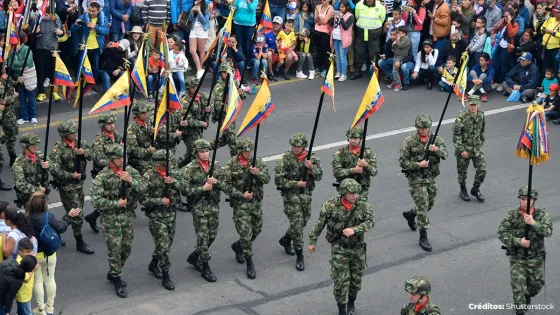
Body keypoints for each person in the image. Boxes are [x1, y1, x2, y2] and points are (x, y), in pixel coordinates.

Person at [308, 178, 374, 315]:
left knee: (355, 282)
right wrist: (312, 241)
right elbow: (320, 223)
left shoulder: (362, 205)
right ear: (344, 193)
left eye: (356, 193)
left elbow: (370, 222)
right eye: (352, 193)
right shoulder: (331, 205)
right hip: (340, 249)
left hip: (357, 249)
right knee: (340, 283)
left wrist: (355, 229)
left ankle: (351, 304)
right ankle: (342, 310)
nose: (355, 196)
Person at [91, 144, 146, 298]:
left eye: (122, 157)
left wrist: (130, 180)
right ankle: (117, 278)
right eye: (118, 158)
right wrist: (116, 204)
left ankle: (114, 272)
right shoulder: (102, 177)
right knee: (114, 250)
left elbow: (144, 188)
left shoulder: (130, 171)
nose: (121, 160)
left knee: (126, 249)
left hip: (128, 215)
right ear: (110, 159)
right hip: (111, 218)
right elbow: (96, 201)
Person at [182, 139, 236, 282]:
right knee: (203, 238)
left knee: (212, 235)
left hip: (213, 205)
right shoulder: (190, 168)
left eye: (206, 151)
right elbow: (185, 190)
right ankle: (205, 267)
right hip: (199, 206)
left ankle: (194, 256)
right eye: (201, 152)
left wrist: (216, 182)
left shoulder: (216, 166)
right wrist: (202, 188)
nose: (205, 154)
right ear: (196, 153)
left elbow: (227, 184)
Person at [498, 186, 552, 315]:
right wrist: (518, 242)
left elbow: (548, 231)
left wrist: (533, 223)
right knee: (518, 290)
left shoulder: (541, 215)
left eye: (529, 199)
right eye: (523, 199)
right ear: (519, 200)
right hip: (518, 259)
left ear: (534, 200)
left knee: (536, 286)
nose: (525, 202)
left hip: (536, 259)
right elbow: (502, 233)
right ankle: (520, 309)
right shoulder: (512, 215)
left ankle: (526, 297)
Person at [221, 138, 270, 279]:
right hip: (241, 204)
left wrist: (258, 173)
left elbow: (267, 179)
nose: (248, 153)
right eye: (245, 151)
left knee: (257, 229)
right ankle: (249, 262)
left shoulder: (258, 162)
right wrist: (241, 195)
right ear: (240, 151)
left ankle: (238, 246)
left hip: (255, 202)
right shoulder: (232, 164)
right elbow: (225, 185)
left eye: (250, 151)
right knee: (246, 235)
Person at [275, 132, 323, 271]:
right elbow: (279, 180)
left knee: (303, 221)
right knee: (297, 226)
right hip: (291, 197)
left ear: (303, 147)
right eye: (293, 146)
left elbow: (320, 176)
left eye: (298, 146)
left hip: (306, 196)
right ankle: (300, 255)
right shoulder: (285, 159)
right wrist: (295, 184)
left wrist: (311, 168)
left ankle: (285, 239)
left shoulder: (311, 158)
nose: (295, 149)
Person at [400, 114, 448, 252]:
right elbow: (403, 161)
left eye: (426, 127)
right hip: (416, 178)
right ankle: (423, 236)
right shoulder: (409, 142)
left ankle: (411, 214)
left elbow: (446, 154)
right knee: (422, 206)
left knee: (429, 204)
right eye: (421, 128)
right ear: (417, 128)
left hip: (431, 177)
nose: (424, 130)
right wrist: (417, 164)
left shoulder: (435, 140)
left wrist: (436, 150)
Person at [27, 192, 78, 315]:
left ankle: (41, 310)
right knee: (49, 280)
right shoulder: (47, 217)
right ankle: (50, 308)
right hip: (49, 253)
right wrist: (69, 216)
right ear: (44, 205)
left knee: (38, 282)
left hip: (33, 254)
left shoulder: (26, 218)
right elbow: (61, 228)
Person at [48, 121, 94, 255]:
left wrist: (84, 152)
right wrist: (71, 175)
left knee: (73, 210)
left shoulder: (80, 143)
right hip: (67, 186)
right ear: (64, 135)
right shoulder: (58, 149)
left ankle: (55, 227)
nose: (74, 135)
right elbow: (54, 169)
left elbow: (93, 155)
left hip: (79, 184)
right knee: (77, 214)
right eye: (71, 133)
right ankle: (80, 242)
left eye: (74, 132)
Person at [141, 150, 182, 291]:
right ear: (161, 163)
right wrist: (160, 200)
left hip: (171, 214)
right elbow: (143, 199)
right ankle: (166, 274)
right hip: (156, 215)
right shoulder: (148, 176)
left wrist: (174, 182)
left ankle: (153, 263)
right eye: (168, 161)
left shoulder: (173, 173)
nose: (171, 163)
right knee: (164, 246)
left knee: (166, 244)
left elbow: (186, 187)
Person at [85, 113, 123, 233]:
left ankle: (94, 216)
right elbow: (98, 159)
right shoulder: (99, 139)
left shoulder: (117, 136)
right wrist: (114, 158)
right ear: (103, 125)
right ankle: (97, 218)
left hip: (117, 170)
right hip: (104, 172)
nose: (112, 126)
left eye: (112, 123)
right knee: (107, 197)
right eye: (108, 124)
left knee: (117, 195)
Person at [453, 95, 486, 202]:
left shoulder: (481, 116)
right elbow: (456, 135)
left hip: (477, 149)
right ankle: (463, 189)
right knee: (462, 172)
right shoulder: (462, 117)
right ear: (468, 104)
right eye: (471, 104)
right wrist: (461, 150)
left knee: (482, 170)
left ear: (478, 105)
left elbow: (482, 131)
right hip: (464, 150)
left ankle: (475, 189)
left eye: (475, 105)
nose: (473, 107)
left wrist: (481, 143)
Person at [332, 126, 377, 202]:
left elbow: (374, 172)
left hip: (361, 191)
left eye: (355, 138)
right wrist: (353, 170)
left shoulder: (368, 152)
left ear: (360, 139)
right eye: (351, 138)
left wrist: (366, 165)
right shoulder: (340, 153)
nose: (352, 140)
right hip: (345, 191)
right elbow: (337, 172)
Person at [211, 64, 246, 158]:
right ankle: (235, 161)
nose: (227, 74)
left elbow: (243, 97)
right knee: (232, 140)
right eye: (225, 73)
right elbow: (218, 106)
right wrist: (227, 107)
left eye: (229, 72)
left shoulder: (234, 83)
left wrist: (240, 93)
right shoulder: (219, 87)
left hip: (233, 115)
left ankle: (203, 148)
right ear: (221, 73)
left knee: (225, 140)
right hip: (224, 117)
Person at [71, 2, 110, 82]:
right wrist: (75, 24)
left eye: (93, 11)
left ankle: (93, 84)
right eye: (89, 10)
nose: (91, 13)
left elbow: (106, 31)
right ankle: (78, 84)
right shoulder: (83, 16)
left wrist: (95, 27)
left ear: (98, 11)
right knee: (80, 66)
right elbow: (73, 30)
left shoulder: (103, 18)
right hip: (84, 46)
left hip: (96, 47)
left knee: (95, 67)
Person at [32, 10, 64, 103]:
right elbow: (31, 34)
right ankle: (41, 92)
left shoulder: (56, 17)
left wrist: (60, 32)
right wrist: (36, 32)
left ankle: (54, 91)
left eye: (48, 13)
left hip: (54, 50)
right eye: (44, 13)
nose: (46, 15)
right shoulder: (37, 17)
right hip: (40, 50)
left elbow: (63, 33)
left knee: (54, 71)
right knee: (41, 71)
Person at [11, 133, 50, 209]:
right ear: (25, 146)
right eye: (32, 145)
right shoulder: (18, 163)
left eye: (36, 144)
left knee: (45, 215)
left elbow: (56, 168)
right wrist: (38, 189)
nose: (35, 147)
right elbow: (20, 184)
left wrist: (49, 165)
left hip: (42, 195)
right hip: (29, 199)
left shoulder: (40, 156)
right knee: (33, 219)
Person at [350, 0, 385, 80]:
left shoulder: (380, 6)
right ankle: (358, 71)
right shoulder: (359, 4)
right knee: (359, 51)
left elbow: (382, 19)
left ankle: (374, 73)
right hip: (361, 32)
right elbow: (357, 16)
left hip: (374, 33)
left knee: (374, 52)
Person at [8, 32, 36, 126]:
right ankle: (24, 117)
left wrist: (17, 65)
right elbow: (10, 65)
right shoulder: (11, 52)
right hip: (18, 79)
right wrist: (20, 66)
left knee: (31, 98)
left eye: (15, 43)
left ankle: (33, 116)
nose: (13, 45)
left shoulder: (26, 49)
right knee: (22, 98)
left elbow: (27, 63)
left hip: (28, 78)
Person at [491, 9, 519, 91]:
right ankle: (497, 81)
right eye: (504, 16)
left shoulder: (515, 24)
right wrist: (499, 25)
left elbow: (511, 34)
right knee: (495, 64)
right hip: (498, 45)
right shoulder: (502, 22)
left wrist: (509, 23)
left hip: (506, 48)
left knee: (504, 67)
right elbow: (494, 31)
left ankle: (503, 83)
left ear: (512, 16)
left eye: (507, 16)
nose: (505, 18)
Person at [127, 101, 155, 176]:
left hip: (150, 156)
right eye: (143, 113)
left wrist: (152, 133)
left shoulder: (147, 122)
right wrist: (149, 150)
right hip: (138, 160)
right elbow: (133, 150)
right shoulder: (132, 127)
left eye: (147, 112)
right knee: (151, 174)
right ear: (137, 114)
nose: (146, 115)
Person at [0, 76, 17, 190]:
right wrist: (13, 97)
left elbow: (13, 85)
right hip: (4, 114)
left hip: (8, 114)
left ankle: (12, 156)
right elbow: (5, 99)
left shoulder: (4, 78)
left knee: (11, 135)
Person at [330, 1, 353, 82]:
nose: (341, 9)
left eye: (343, 7)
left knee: (343, 56)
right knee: (338, 56)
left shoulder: (350, 16)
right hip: (336, 37)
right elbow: (333, 25)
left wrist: (342, 18)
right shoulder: (337, 14)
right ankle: (338, 72)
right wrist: (332, 17)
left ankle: (344, 74)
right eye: (340, 7)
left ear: (347, 8)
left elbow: (346, 27)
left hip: (344, 39)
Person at [189, 0, 211, 79]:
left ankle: (201, 68)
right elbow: (190, 19)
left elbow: (205, 22)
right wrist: (191, 12)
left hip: (202, 30)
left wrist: (199, 12)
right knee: (192, 50)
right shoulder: (193, 4)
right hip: (193, 29)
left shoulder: (208, 5)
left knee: (201, 50)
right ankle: (199, 69)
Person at [14, 238, 36, 315]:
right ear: (20, 252)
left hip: (25, 293)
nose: (30, 254)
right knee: (27, 312)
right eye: (27, 252)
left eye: (31, 251)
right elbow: (26, 279)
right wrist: (33, 269)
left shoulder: (26, 259)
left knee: (21, 311)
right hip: (23, 295)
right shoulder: (21, 263)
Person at [233, 0, 258, 65]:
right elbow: (233, 7)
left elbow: (251, 10)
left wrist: (248, 2)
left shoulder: (255, 0)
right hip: (238, 23)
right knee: (239, 42)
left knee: (247, 44)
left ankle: (248, 60)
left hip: (249, 24)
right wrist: (232, 3)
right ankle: (241, 60)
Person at [314, 0, 334, 78]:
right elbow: (315, 20)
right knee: (319, 50)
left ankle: (326, 68)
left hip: (325, 32)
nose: (322, 0)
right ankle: (319, 67)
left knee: (325, 51)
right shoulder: (318, 7)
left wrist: (319, 20)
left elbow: (325, 21)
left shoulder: (330, 8)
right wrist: (319, 20)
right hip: (317, 31)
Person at [389, 27, 411, 91]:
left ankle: (399, 84)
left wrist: (398, 40)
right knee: (394, 71)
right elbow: (394, 48)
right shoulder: (400, 38)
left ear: (404, 33)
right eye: (398, 33)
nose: (398, 34)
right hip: (396, 56)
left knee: (395, 71)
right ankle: (395, 82)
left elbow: (401, 46)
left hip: (400, 57)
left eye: (400, 33)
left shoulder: (406, 39)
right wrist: (393, 44)